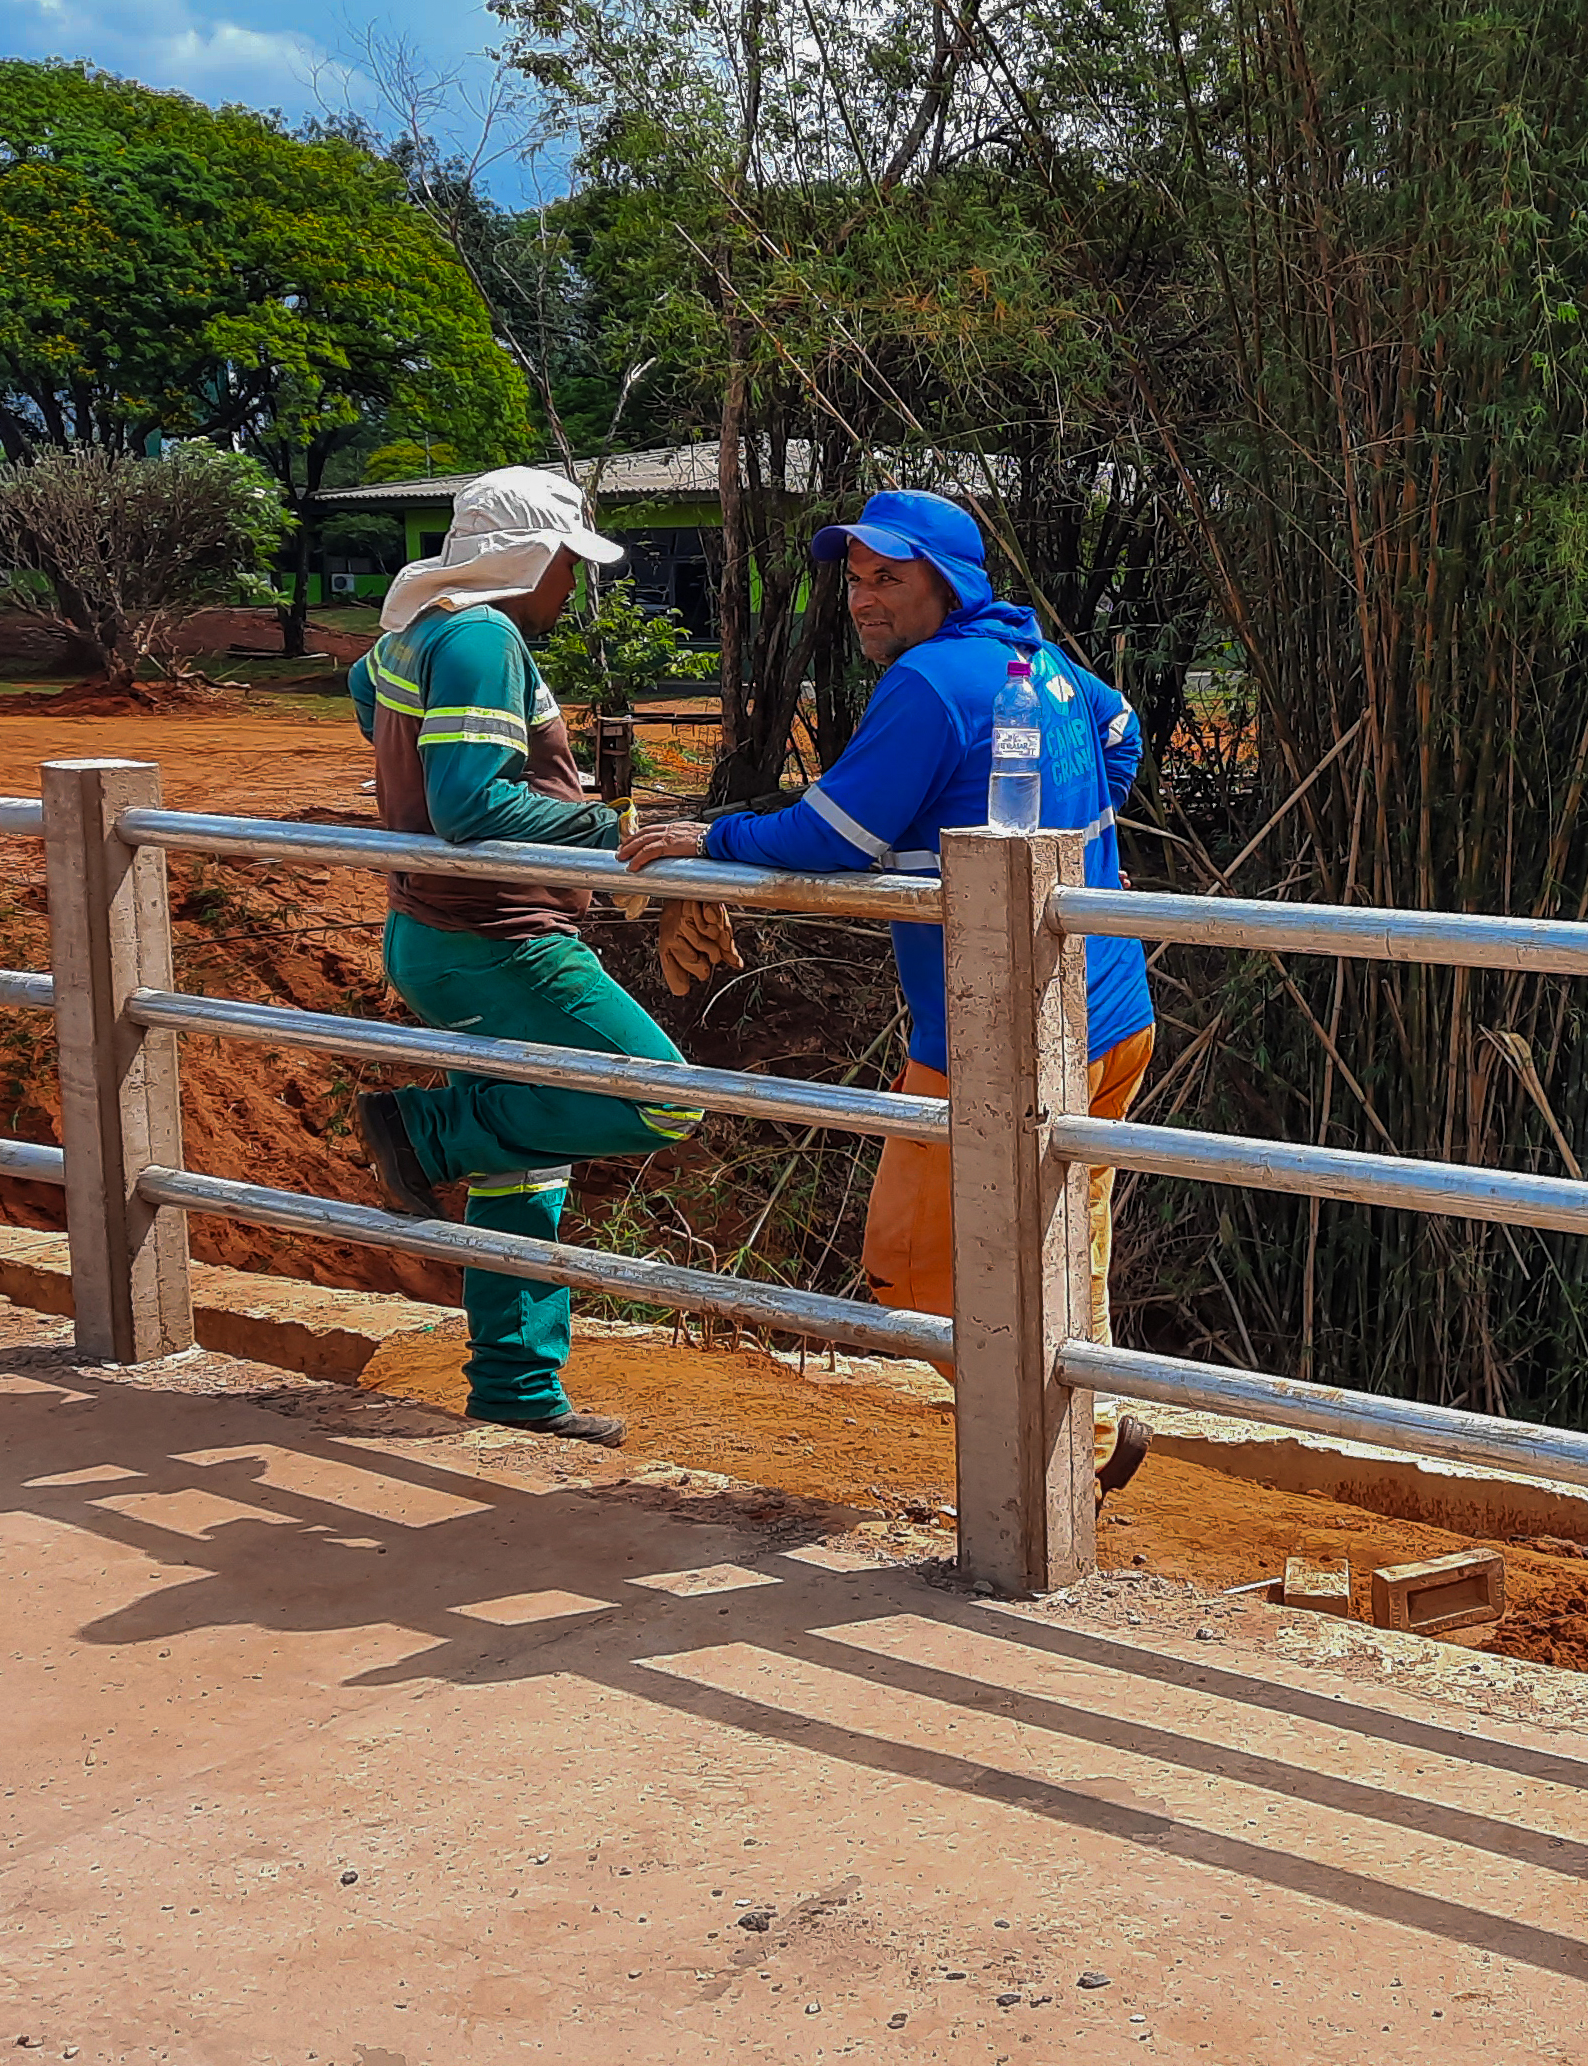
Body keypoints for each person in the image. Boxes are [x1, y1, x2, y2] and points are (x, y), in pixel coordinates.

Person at [620, 488, 1159, 1494]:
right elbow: (1120, 730)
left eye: (888, 578)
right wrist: (1085, 827)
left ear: (944, 582)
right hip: (1111, 1009)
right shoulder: (1031, 661)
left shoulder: (930, 681)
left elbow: (831, 836)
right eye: (857, 579)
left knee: (907, 1273)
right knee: (1066, 1239)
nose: (864, 599)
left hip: (998, 1029)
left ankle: (1055, 1445)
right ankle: (1082, 1440)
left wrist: (709, 842)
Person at [344, 465, 703, 1446]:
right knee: (661, 1094)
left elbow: (361, 687)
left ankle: (515, 1389)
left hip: (439, 932)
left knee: (528, 1157)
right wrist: (614, 827)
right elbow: (469, 806)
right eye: (567, 564)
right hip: (498, 936)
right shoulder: (482, 636)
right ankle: (425, 1134)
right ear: (532, 557)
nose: (570, 585)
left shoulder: (414, 636)